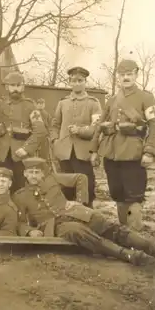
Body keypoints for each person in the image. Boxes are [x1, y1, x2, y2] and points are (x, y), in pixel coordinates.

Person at [13, 158, 155, 266]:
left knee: (106, 224)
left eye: (37, 172)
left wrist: (80, 202)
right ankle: (129, 255)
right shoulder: (20, 196)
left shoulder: (53, 179)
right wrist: (29, 231)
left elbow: (81, 178)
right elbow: (19, 222)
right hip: (54, 225)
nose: (33, 176)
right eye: (30, 172)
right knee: (79, 232)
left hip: (75, 213)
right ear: (25, 174)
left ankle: (152, 248)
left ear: (43, 173)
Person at [90, 59, 155, 230]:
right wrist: (94, 150)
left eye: (129, 74)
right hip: (111, 153)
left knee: (134, 196)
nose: (126, 77)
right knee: (117, 194)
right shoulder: (112, 100)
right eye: (122, 75)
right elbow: (100, 125)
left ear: (136, 74)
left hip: (133, 153)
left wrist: (150, 151)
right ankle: (124, 232)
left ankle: (135, 235)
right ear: (118, 77)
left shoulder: (146, 97)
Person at [51, 66, 102, 208]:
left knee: (87, 184)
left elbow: (96, 127)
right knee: (65, 186)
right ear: (70, 82)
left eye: (80, 80)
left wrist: (79, 130)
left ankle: (86, 213)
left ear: (85, 82)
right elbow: (55, 124)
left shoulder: (93, 102)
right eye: (74, 81)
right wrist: (55, 141)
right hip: (64, 153)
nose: (77, 83)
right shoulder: (63, 102)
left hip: (84, 152)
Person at [0, 71, 47, 193]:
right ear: (7, 87)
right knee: (2, 186)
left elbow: (40, 131)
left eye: (18, 85)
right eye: (12, 86)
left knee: (21, 188)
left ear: (23, 87)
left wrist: (26, 149)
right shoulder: (1, 104)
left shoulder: (30, 106)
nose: (15, 89)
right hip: (2, 153)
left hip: (21, 154)